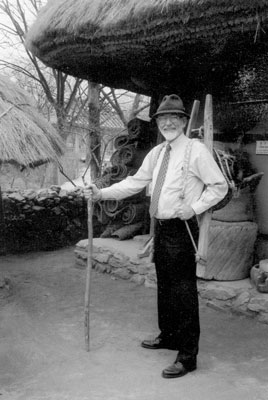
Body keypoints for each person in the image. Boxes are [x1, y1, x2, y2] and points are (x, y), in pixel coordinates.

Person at [84, 94, 228, 379]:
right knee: (165, 285)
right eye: (163, 118)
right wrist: (101, 193)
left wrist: (195, 207)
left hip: (181, 228)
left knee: (184, 291)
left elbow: (219, 187)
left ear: (185, 122)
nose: (169, 122)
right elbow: (135, 183)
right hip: (160, 227)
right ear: (159, 122)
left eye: (175, 117)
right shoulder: (158, 153)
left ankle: (188, 356)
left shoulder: (196, 151)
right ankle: (169, 336)